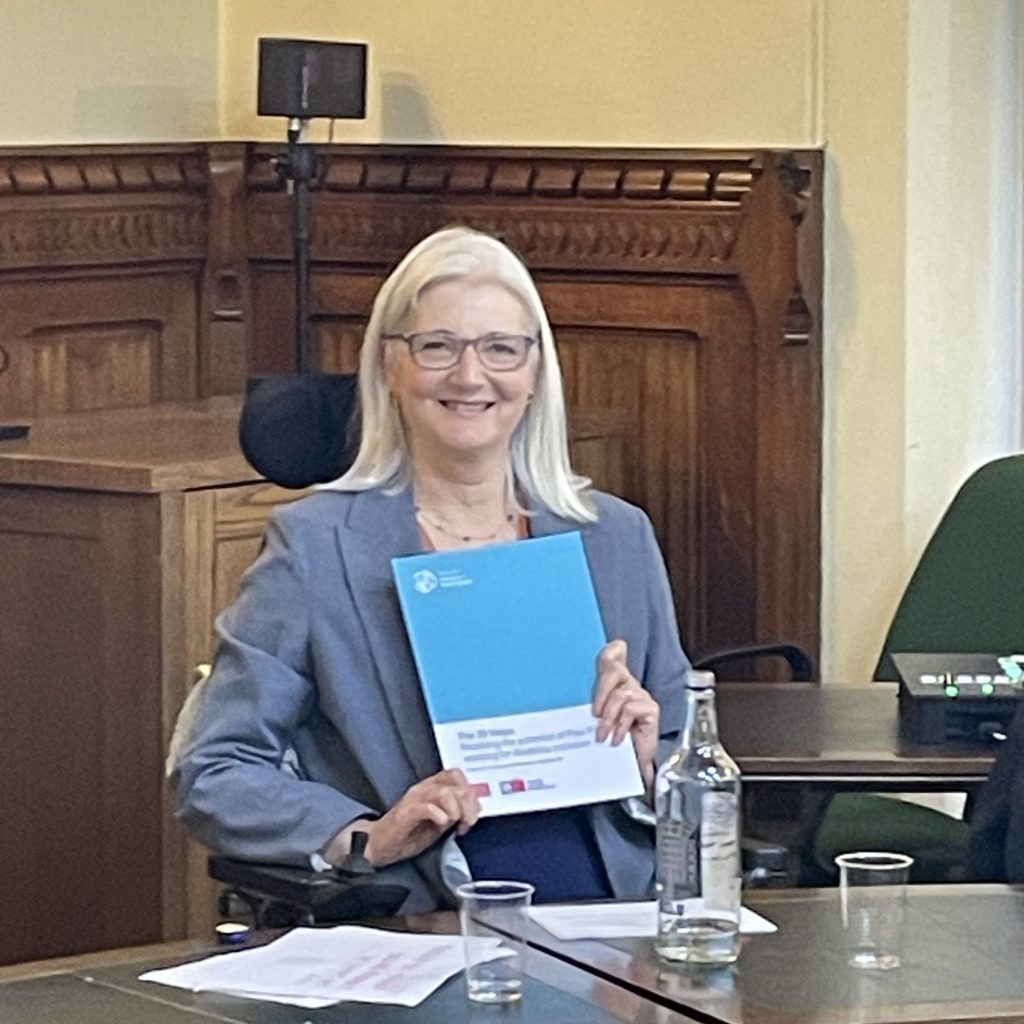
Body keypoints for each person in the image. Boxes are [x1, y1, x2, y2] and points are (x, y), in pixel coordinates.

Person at [172, 226, 688, 912]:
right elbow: (215, 770)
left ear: (535, 373)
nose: (470, 377)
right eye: (437, 347)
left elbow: (696, 769)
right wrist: (365, 837)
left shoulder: (617, 538)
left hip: (621, 915)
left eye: (501, 349)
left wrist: (651, 765)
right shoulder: (315, 546)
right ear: (391, 367)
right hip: (425, 914)